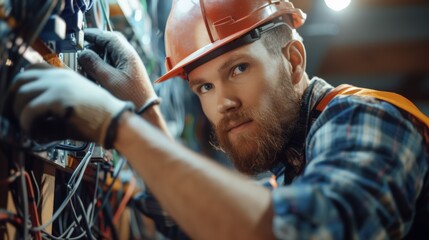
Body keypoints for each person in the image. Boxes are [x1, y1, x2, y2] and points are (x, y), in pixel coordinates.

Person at [9, 0, 429, 239]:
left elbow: (309, 230)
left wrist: (120, 127)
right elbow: (208, 222)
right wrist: (146, 112)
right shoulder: (292, 166)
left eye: (239, 69)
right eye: (203, 87)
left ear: (294, 60)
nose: (222, 102)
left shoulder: (369, 118)